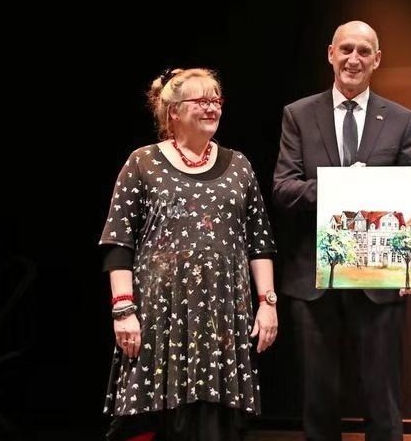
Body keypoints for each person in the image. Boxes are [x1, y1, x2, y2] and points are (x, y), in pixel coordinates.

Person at [98, 67, 278, 441]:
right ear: (174, 112)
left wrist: (268, 303)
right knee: (157, 422)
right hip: (160, 316)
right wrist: (123, 310)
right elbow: (119, 242)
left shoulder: (239, 166)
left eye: (216, 100)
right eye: (201, 100)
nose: (212, 107)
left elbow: (259, 242)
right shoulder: (142, 162)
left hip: (222, 318)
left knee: (215, 425)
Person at [272, 20, 411, 441]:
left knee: (383, 400)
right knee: (318, 402)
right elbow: (283, 189)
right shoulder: (299, 115)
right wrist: (340, 187)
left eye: (363, 51)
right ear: (330, 54)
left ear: (377, 59)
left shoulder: (400, 119)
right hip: (313, 278)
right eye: (346, 50)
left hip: (381, 278)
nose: (353, 59)